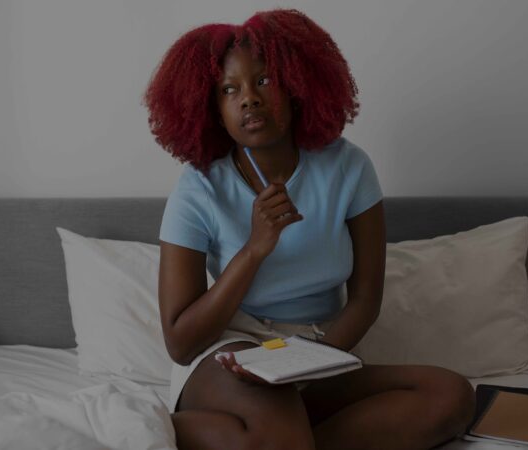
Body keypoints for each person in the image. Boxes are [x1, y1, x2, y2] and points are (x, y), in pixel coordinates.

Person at [144, 9, 475, 450]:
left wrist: (307, 365)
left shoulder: (348, 167)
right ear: (214, 108)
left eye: (263, 81)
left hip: (320, 348)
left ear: (297, 84)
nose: (248, 99)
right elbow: (181, 342)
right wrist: (254, 250)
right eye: (229, 89)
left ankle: (259, 440)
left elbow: (365, 299)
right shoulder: (199, 186)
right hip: (230, 350)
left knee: (450, 395)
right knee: (282, 433)